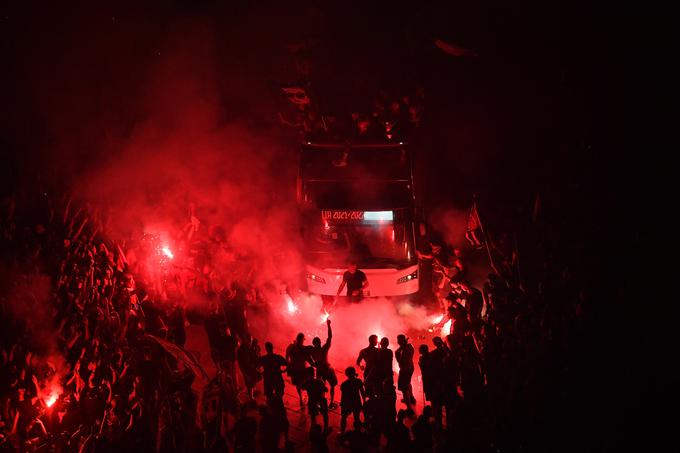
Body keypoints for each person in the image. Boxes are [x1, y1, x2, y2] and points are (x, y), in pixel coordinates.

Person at [311, 319, 338, 409]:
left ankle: (321, 402)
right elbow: (330, 337)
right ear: (319, 343)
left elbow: (305, 354)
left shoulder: (312, 350)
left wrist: (313, 363)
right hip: (326, 369)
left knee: (321, 386)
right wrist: (328, 325)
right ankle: (331, 402)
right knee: (332, 385)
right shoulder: (323, 349)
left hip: (320, 369)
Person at [285, 333, 315, 407]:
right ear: (302, 340)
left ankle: (301, 399)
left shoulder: (290, 347)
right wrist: (315, 364)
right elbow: (310, 361)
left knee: (298, 385)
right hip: (302, 370)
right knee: (307, 383)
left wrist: (288, 366)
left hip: (294, 369)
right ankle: (309, 398)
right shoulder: (304, 349)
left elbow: (286, 357)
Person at [302, 368, 329, 434]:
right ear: (314, 373)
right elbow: (326, 390)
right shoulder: (319, 381)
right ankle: (326, 427)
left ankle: (313, 428)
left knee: (313, 415)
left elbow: (302, 388)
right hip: (321, 399)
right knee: (325, 414)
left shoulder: (307, 382)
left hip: (312, 400)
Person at [339, 366, 365, 435]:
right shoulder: (358, 381)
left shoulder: (344, 384)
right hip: (356, 402)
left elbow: (343, 396)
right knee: (357, 418)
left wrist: (342, 403)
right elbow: (362, 393)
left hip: (347, 403)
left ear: (347, 374)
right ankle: (358, 432)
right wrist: (364, 401)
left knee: (344, 417)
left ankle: (342, 432)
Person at [395, 334, 416, 409]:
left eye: (398, 340)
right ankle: (411, 398)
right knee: (408, 383)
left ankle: (409, 408)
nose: (397, 342)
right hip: (411, 367)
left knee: (404, 388)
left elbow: (400, 361)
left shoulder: (400, 351)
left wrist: (399, 351)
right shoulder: (410, 346)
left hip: (404, 369)